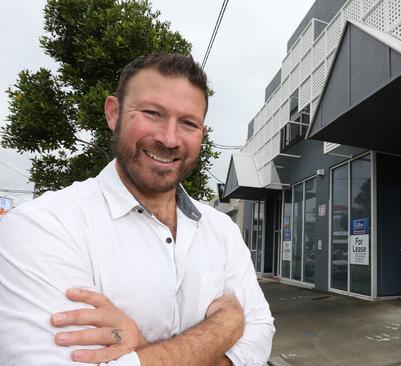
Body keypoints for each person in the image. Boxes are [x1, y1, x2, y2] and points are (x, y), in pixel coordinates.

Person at [0, 53, 275, 365]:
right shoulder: (42, 227)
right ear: (113, 113)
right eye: (152, 113)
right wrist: (224, 326)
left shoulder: (222, 229)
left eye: (187, 122)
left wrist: (140, 351)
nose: (169, 139)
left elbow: (260, 333)